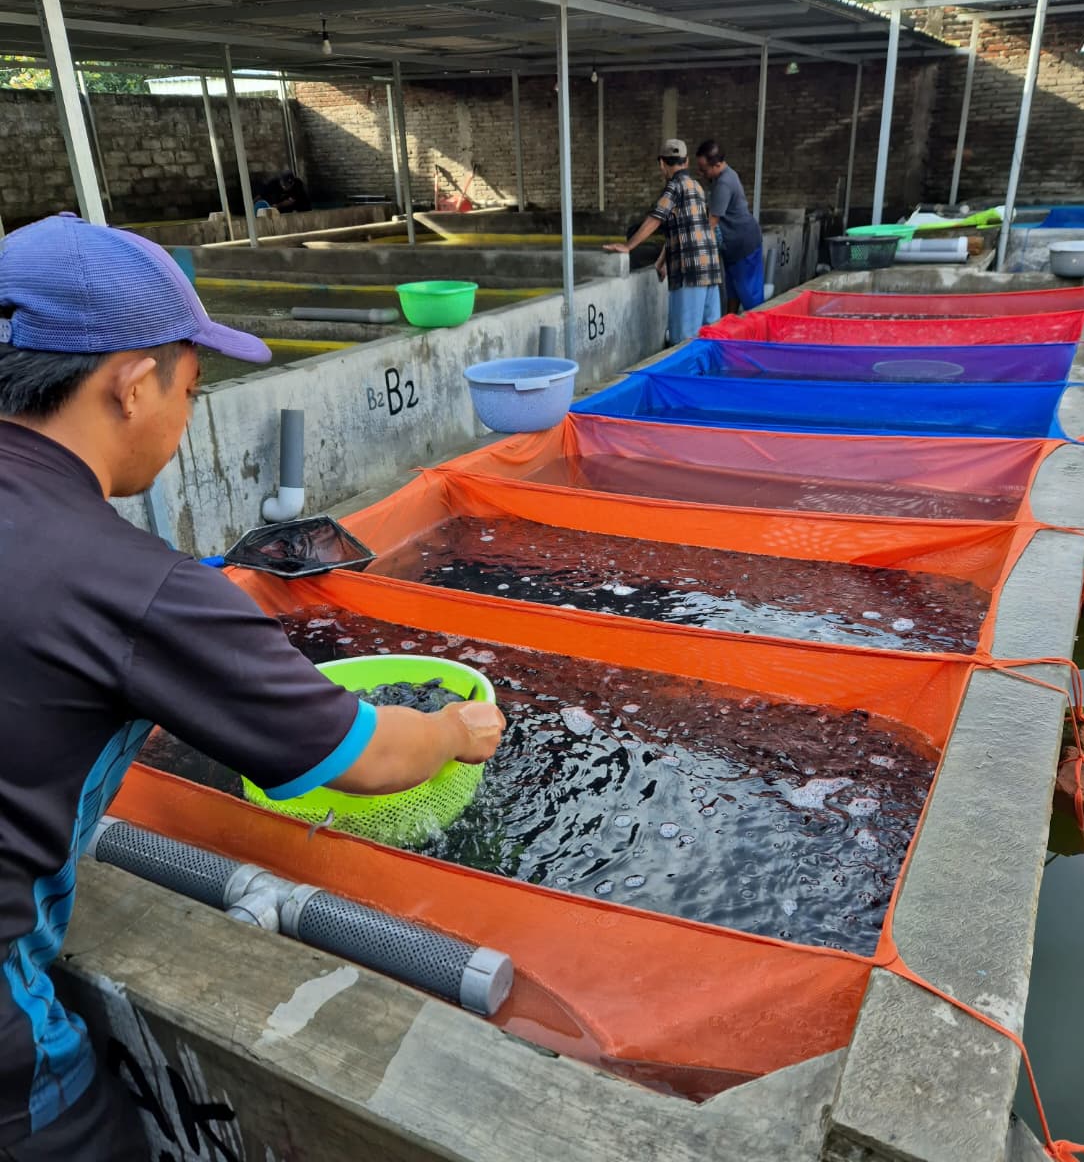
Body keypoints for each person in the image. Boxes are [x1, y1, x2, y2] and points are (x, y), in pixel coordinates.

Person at [0, 215, 505, 1160]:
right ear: (133, 382)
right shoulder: (133, 585)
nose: (187, 416)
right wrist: (451, 733)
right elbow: (358, 756)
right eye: (192, 390)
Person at [604, 139, 722, 345]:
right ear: (686, 162)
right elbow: (686, 230)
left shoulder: (674, 187)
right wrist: (663, 260)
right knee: (711, 336)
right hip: (711, 269)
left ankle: (683, 378)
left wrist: (628, 246)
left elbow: (655, 219)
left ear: (661, 163)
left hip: (690, 273)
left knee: (684, 340)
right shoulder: (697, 187)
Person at [694, 140, 764, 314]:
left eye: (704, 169)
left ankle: (760, 336)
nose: (701, 173)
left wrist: (695, 250)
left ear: (717, 165)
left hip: (743, 245)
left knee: (751, 298)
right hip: (733, 247)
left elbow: (712, 222)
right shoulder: (721, 177)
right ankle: (730, 325)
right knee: (733, 291)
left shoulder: (724, 183)